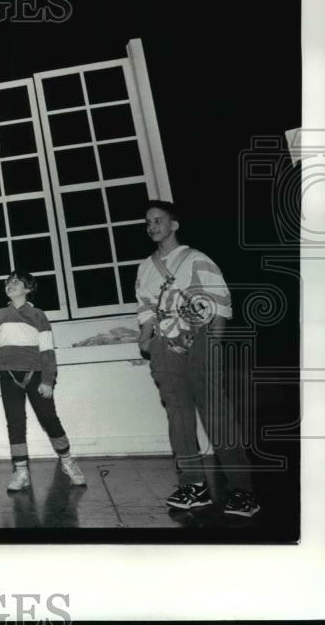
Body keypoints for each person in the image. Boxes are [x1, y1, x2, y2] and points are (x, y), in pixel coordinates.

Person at [135, 200, 259, 517]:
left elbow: (220, 303)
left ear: (174, 225)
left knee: (216, 414)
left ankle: (243, 491)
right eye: (148, 222)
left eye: (158, 221)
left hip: (201, 341)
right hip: (164, 344)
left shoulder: (195, 258)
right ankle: (193, 485)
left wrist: (212, 344)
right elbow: (146, 309)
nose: (152, 227)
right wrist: (146, 340)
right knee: (178, 416)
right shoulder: (146, 267)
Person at [0, 271, 86, 492]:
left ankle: (68, 462)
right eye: (8, 282)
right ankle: (21, 471)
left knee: (49, 418)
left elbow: (47, 351)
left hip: (35, 376)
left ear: (28, 289)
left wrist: (48, 380)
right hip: (9, 377)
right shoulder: (0, 315)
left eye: (16, 282)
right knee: (15, 423)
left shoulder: (38, 315)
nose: (10, 284)